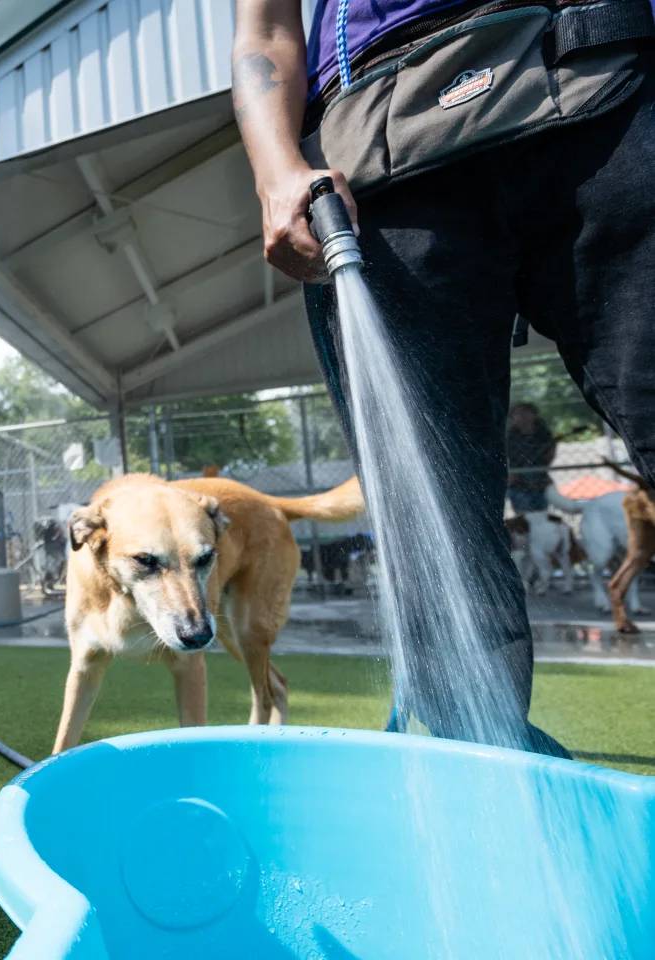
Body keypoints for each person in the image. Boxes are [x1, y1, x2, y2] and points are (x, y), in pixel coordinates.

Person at [232, 0, 654, 757]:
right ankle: (503, 801)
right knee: (442, 539)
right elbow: (265, 29)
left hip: (601, 82)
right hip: (387, 158)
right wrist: (275, 168)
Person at [505, 403, 557, 514]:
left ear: (534, 414)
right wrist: (509, 473)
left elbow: (550, 454)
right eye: (517, 413)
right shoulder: (510, 436)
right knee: (524, 518)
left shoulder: (543, 433)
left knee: (541, 515)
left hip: (539, 480)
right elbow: (505, 457)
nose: (522, 416)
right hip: (518, 481)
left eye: (526, 412)